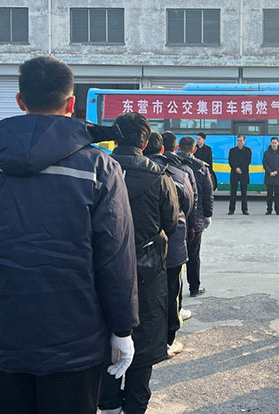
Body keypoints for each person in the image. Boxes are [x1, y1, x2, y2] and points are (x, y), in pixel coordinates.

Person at [0, 56, 139, 414]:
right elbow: (115, 258)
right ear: (71, 104)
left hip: (7, 331)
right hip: (77, 338)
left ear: (20, 100)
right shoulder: (99, 167)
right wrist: (122, 329)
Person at [101, 113, 179, 414]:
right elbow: (171, 223)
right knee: (143, 340)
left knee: (104, 336)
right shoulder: (161, 176)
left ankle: (108, 404)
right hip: (147, 271)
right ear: (145, 143)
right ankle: (135, 406)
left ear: (115, 139)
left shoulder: (97, 169)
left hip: (102, 270)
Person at [143, 132, 194, 358]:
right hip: (171, 245)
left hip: (136, 247)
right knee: (171, 291)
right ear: (163, 149)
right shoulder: (178, 173)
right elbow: (188, 206)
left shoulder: (118, 169)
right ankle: (166, 341)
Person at [162, 131, 199, 320]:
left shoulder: (118, 167)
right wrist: (191, 224)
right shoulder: (182, 171)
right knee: (174, 278)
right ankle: (174, 315)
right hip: (175, 233)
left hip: (141, 240)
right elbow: (190, 202)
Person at [177, 136, 214, 298]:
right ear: (194, 149)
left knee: (173, 255)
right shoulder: (202, 168)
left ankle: (175, 291)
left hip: (175, 218)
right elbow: (208, 194)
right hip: (196, 219)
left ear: (178, 147)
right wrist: (208, 215)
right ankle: (194, 288)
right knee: (194, 255)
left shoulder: (172, 164)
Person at [228, 134, 252, 215]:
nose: (239, 142)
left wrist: (241, 168)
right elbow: (230, 161)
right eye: (238, 140)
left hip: (244, 173)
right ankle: (231, 210)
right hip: (234, 173)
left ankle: (245, 210)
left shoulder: (248, 150)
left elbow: (248, 161)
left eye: (241, 141)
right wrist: (236, 168)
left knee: (244, 193)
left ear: (244, 141)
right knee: (233, 193)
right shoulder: (232, 150)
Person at [262, 137, 279, 215]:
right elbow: (265, 164)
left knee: (277, 195)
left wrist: (276, 172)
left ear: (278, 143)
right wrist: (270, 172)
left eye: (275, 142)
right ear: (270, 143)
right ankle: (269, 210)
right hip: (269, 176)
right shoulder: (266, 153)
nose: (274, 144)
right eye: (272, 142)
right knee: (269, 194)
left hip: (278, 176)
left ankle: (278, 210)